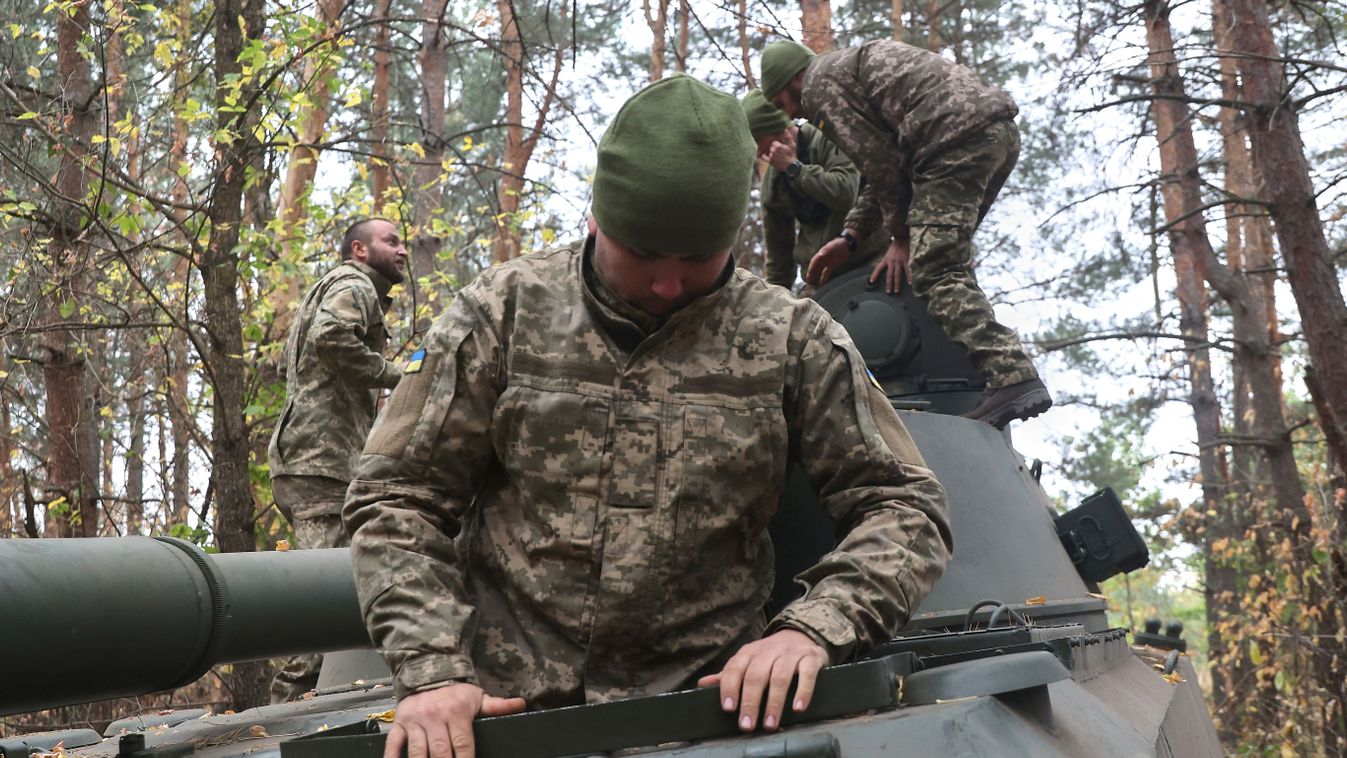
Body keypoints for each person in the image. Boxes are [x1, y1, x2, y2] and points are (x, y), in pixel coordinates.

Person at [343, 74, 952, 758]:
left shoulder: (792, 337)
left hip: (709, 715)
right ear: (597, 217)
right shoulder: (501, 313)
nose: (667, 284)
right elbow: (397, 496)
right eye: (641, 254)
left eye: (697, 260)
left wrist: (812, 628)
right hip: (507, 718)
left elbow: (905, 505)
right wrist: (432, 672)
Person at [759, 39, 1052, 428]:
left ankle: (1012, 375)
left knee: (933, 268)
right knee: (945, 259)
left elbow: (881, 165)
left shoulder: (819, 85)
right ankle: (1002, 375)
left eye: (783, 103)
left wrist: (900, 238)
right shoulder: (844, 69)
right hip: (990, 133)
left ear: (792, 79)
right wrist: (850, 237)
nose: (794, 114)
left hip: (951, 143)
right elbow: (883, 164)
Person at [266, 217, 407, 703]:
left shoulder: (338, 287)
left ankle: (302, 712)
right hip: (320, 463)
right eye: (391, 241)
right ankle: (280, 721)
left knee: (338, 585)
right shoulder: (353, 283)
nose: (402, 249)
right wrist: (397, 377)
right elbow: (331, 337)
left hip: (316, 460)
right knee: (321, 594)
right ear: (360, 250)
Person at [740, 88, 886, 295]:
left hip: (871, 261)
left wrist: (795, 168)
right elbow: (779, 260)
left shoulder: (828, 137)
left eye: (756, 141)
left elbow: (844, 193)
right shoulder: (773, 184)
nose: (756, 152)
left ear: (778, 130)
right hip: (821, 280)